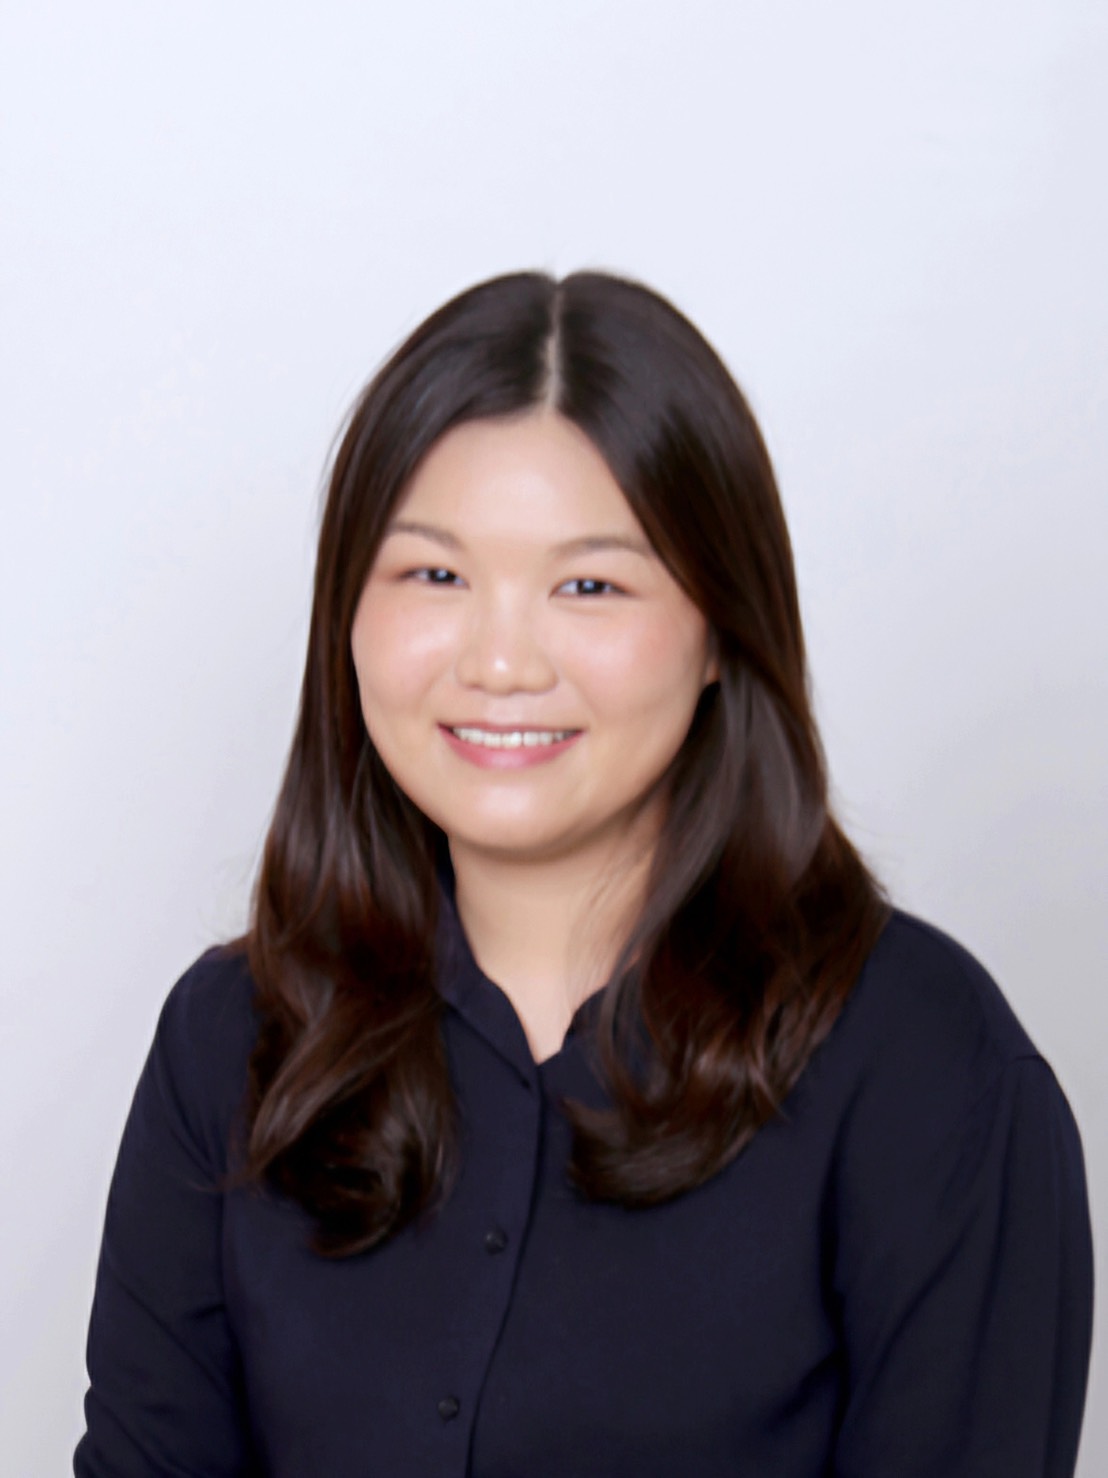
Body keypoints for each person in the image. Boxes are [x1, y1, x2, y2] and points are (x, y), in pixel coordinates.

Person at [75, 271, 1093, 1477]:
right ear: (344, 614)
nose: (501, 661)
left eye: (590, 584)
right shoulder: (233, 1039)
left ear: (720, 629)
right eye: (434, 575)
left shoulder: (926, 1063)